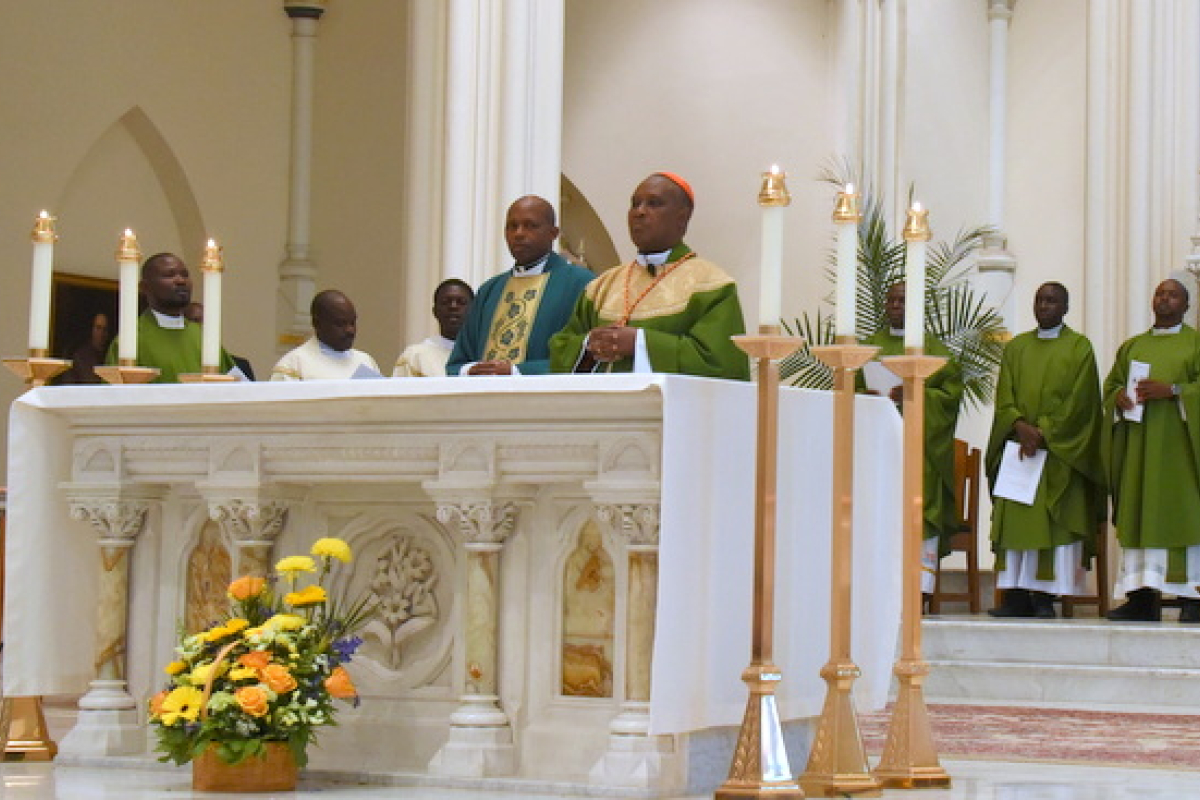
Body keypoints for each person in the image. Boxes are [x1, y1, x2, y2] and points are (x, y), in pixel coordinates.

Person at [548, 172, 750, 379]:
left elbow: (722, 363)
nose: (640, 212)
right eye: (635, 204)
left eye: (654, 203)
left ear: (682, 217)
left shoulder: (710, 284)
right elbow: (561, 349)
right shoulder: (603, 285)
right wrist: (589, 344)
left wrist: (639, 343)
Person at [986, 283, 1105, 618]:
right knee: (1018, 518)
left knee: (1054, 515)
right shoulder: (1017, 348)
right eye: (1039, 300)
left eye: (1051, 301)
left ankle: (1045, 597)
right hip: (1019, 451)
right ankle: (1016, 596)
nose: (1044, 306)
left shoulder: (1079, 347)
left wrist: (1045, 432)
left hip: (1060, 455)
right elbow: (1004, 396)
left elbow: (1082, 403)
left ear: (1065, 308)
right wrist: (1019, 425)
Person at [1104, 276, 1200, 622]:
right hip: (1140, 451)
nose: (1164, 299)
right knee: (1138, 513)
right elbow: (1113, 383)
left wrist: (1174, 390)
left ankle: (1192, 598)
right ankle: (1141, 598)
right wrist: (1117, 397)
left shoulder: (1195, 344)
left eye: (1173, 295)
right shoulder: (1133, 347)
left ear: (1186, 306)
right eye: (1159, 293)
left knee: (1186, 515)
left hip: (1181, 452)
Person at [859, 282, 964, 595]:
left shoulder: (934, 352)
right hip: (877, 451)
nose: (894, 305)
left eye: (902, 300)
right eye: (890, 299)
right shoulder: (868, 348)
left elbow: (949, 398)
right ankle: (877, 588)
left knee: (920, 511)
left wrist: (915, 395)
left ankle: (919, 589)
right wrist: (864, 398)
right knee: (878, 514)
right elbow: (844, 392)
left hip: (920, 454)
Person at [447, 196, 594, 376]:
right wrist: (472, 370)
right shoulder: (490, 290)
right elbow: (459, 361)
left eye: (530, 225)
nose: (519, 233)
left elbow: (585, 357)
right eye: (512, 226)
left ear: (553, 233)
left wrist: (517, 371)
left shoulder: (581, 284)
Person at [105, 252, 233, 383]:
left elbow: (239, 387)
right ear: (145, 287)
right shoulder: (131, 339)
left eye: (185, 275)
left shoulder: (203, 337)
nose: (181, 281)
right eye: (169, 275)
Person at [271, 290, 381, 381]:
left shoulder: (366, 362)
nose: (350, 330)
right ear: (317, 323)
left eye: (352, 323)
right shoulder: (293, 366)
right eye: (340, 324)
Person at [393, 279, 475, 377]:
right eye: (445, 302)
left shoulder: (485, 356)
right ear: (435, 311)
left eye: (461, 302)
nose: (453, 307)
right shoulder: (415, 356)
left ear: (474, 310)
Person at [183, 302, 256, 380]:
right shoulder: (182, 365)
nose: (203, 326)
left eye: (208, 322)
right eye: (196, 321)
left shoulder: (240, 366)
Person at [60, 312, 110, 384]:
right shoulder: (80, 358)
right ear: (92, 329)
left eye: (105, 329)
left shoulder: (110, 356)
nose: (101, 333)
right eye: (98, 328)